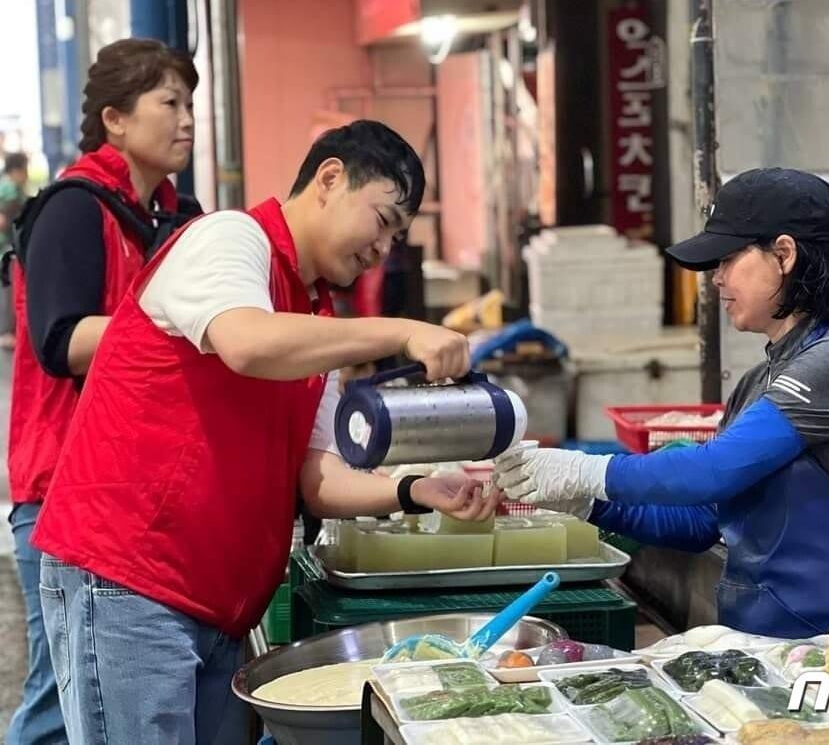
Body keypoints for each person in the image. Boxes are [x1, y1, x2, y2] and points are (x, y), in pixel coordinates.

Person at [31, 119, 499, 745]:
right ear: (330, 178)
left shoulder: (314, 315)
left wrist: (415, 490)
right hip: (132, 587)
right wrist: (401, 331)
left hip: (220, 606)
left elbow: (317, 474)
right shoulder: (230, 239)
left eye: (397, 235)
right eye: (383, 220)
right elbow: (247, 343)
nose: (383, 248)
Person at [495, 168, 829, 639]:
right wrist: (587, 504)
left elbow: (712, 471)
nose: (716, 278)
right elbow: (702, 520)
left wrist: (586, 470)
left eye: (728, 259)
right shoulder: (759, 381)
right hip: (763, 646)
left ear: (783, 254)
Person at [6, 38, 203, 745]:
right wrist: (178, 321)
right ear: (116, 120)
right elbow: (61, 342)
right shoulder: (72, 208)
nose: (187, 121)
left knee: (77, 695)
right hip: (63, 495)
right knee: (58, 699)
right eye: (169, 103)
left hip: (130, 495)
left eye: (191, 104)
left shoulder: (175, 219)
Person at [0, 151, 30, 349]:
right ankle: (6, 332)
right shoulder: (10, 189)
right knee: (7, 291)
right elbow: (5, 219)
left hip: (7, 248)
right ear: (17, 170)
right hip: (6, 249)